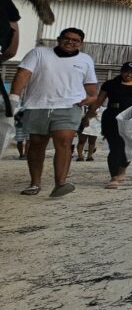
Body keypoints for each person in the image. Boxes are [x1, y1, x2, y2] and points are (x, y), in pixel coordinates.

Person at [9, 27, 98, 197]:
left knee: (64, 141)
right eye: (66, 38)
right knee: (36, 143)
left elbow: (91, 88)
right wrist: (14, 97)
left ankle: (60, 183)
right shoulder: (39, 53)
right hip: (37, 105)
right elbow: (23, 74)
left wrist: (91, 98)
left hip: (69, 106)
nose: (70, 42)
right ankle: (35, 183)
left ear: (81, 43)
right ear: (59, 39)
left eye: (75, 40)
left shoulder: (85, 60)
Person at [84, 61, 132, 188]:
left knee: (129, 148)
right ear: (121, 71)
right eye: (126, 71)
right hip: (112, 118)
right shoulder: (110, 84)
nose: (129, 74)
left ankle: (122, 167)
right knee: (116, 147)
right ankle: (113, 176)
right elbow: (98, 101)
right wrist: (88, 116)